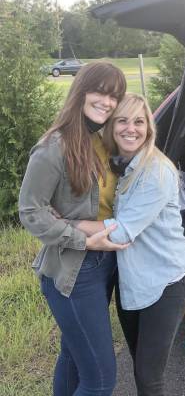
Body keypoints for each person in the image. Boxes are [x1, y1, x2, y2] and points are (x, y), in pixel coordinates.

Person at [73, 93, 185, 396]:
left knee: (148, 377)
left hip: (167, 281)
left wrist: (65, 223)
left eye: (139, 122)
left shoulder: (155, 171)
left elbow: (122, 232)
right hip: (133, 281)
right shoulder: (122, 166)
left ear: (149, 128)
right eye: (123, 121)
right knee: (139, 365)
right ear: (112, 127)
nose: (131, 129)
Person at [19, 61, 128, 396]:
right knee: (99, 379)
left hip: (106, 266)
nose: (107, 102)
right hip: (72, 273)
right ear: (81, 91)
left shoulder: (109, 141)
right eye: (100, 92)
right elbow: (30, 211)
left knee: (72, 357)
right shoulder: (54, 147)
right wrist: (82, 238)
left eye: (115, 96)